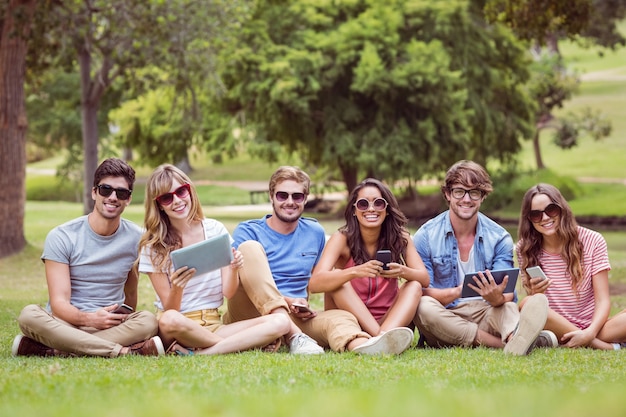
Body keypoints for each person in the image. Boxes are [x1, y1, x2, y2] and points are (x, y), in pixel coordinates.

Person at [222, 166, 415, 355]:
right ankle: (294, 336)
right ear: (271, 196)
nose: (290, 202)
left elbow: (321, 281)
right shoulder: (248, 231)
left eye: (297, 196)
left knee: (342, 318)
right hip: (250, 313)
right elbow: (240, 284)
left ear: (305, 199)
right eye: (283, 195)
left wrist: (302, 306)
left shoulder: (314, 232)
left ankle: (370, 346)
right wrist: (287, 301)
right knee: (249, 248)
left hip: (296, 316)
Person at [13, 158, 162, 357]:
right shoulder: (62, 236)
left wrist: (114, 317)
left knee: (148, 321)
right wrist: (89, 319)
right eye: (105, 189)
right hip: (65, 324)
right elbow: (58, 303)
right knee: (29, 315)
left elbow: (130, 296)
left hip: (108, 326)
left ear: (128, 199)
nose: (113, 197)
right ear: (94, 192)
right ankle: (123, 352)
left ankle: (58, 350)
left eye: (121, 192)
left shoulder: (137, 239)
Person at [137, 164, 291, 355]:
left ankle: (201, 352)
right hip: (179, 325)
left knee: (281, 321)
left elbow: (228, 292)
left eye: (181, 191)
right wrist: (177, 287)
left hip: (213, 323)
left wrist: (234, 268)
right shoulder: (153, 244)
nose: (177, 201)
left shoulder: (214, 230)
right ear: (159, 204)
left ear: (190, 190)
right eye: (167, 198)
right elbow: (170, 310)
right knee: (169, 320)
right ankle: (238, 344)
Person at [412, 160, 554, 355]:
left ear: (482, 197)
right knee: (422, 306)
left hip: (485, 312)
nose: (467, 199)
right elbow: (422, 292)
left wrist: (496, 297)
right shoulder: (425, 236)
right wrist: (458, 292)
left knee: (507, 308)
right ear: (447, 194)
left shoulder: (499, 237)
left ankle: (515, 335)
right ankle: (509, 344)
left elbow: (506, 292)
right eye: (459, 191)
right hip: (445, 317)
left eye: (474, 192)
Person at [310, 178, 429, 338]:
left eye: (378, 203)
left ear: (387, 209)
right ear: (354, 210)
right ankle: (381, 338)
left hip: (389, 320)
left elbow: (424, 279)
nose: (371, 209)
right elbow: (315, 283)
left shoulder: (400, 237)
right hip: (352, 321)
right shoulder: (341, 239)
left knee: (414, 285)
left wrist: (402, 271)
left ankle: (381, 336)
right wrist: (355, 272)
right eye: (363, 204)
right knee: (339, 282)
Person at [516, 183, 626, 350]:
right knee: (527, 303)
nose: (545, 218)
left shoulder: (593, 240)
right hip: (556, 325)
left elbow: (602, 300)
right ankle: (608, 347)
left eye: (551, 210)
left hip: (596, 327)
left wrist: (589, 333)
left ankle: (576, 340)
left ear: (562, 209)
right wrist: (537, 293)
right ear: (529, 220)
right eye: (536, 215)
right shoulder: (525, 248)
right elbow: (537, 307)